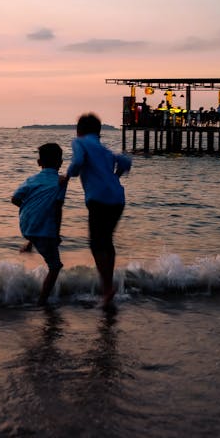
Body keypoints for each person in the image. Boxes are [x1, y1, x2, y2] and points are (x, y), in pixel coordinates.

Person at [64, 113, 131, 309]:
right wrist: (115, 176)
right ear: (98, 131)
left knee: (96, 244)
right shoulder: (104, 150)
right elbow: (126, 161)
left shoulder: (80, 142)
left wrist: (67, 176)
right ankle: (108, 286)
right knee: (106, 241)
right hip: (117, 198)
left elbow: (77, 162)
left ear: (79, 130)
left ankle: (107, 288)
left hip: (99, 198)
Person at [11, 143, 66, 305]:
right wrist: (56, 233)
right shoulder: (61, 182)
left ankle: (30, 243)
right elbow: (57, 208)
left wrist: (30, 208)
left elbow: (14, 199)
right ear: (60, 162)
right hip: (44, 230)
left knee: (41, 219)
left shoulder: (31, 180)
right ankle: (42, 302)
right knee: (55, 267)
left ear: (39, 163)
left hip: (26, 225)